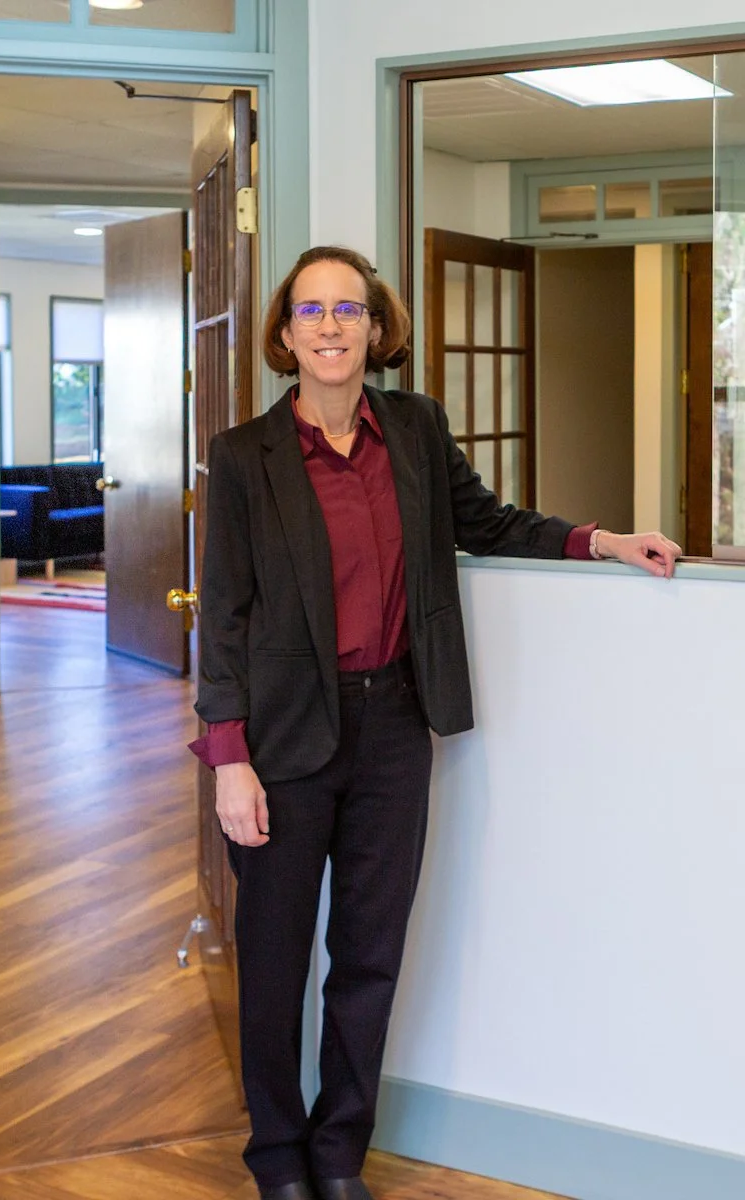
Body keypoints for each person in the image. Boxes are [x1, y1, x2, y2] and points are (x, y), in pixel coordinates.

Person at [189, 245, 682, 1200]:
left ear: (377, 328)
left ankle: (338, 1157)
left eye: (350, 308)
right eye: (311, 310)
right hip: (285, 742)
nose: (331, 325)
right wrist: (228, 759)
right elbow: (227, 618)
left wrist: (602, 541)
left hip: (394, 730)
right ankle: (277, 1160)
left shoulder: (414, 429)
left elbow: (488, 521)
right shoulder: (244, 455)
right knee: (276, 962)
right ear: (285, 335)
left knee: (369, 962)